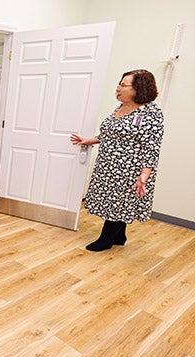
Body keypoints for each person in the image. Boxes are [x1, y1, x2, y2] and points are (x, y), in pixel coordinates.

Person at [70, 69, 164, 251]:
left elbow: (152, 146)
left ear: (139, 88)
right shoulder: (121, 107)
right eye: (119, 84)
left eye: (123, 85)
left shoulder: (151, 112)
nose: (118, 88)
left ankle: (106, 239)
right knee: (115, 202)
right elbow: (111, 134)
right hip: (109, 166)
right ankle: (119, 236)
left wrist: (144, 175)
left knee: (119, 203)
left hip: (130, 170)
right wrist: (90, 140)